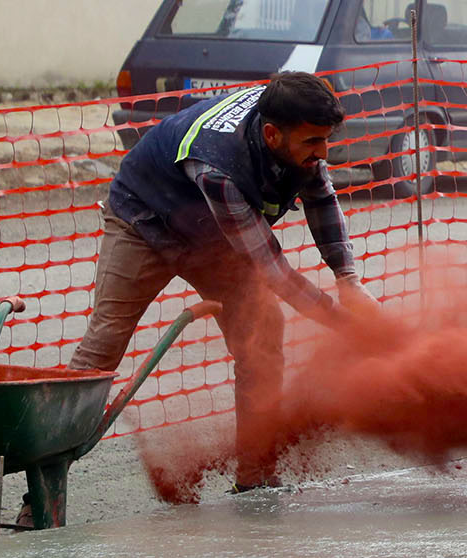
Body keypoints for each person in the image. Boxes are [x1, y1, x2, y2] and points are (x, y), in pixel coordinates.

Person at [72, 72, 379, 491]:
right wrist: (343, 325)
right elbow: (274, 272)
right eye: (313, 143)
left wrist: (348, 281)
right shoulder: (219, 167)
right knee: (102, 347)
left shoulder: (293, 126)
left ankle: (255, 478)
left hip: (213, 237)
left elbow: (321, 197)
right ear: (271, 135)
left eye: (326, 140)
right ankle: (42, 481)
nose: (323, 153)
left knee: (263, 338)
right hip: (143, 222)